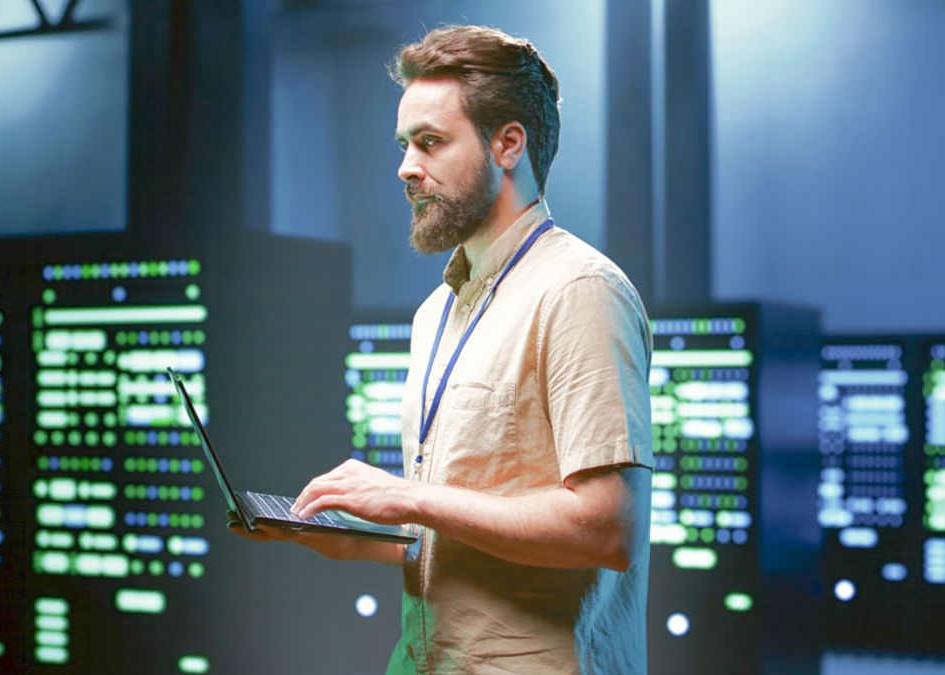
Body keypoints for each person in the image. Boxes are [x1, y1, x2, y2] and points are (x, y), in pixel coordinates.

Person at [231, 25, 653, 674]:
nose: (405, 167)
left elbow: (607, 528)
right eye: (404, 144)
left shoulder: (580, 291)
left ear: (508, 143)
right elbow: (453, 533)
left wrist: (409, 497)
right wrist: (337, 534)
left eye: (429, 143)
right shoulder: (438, 311)